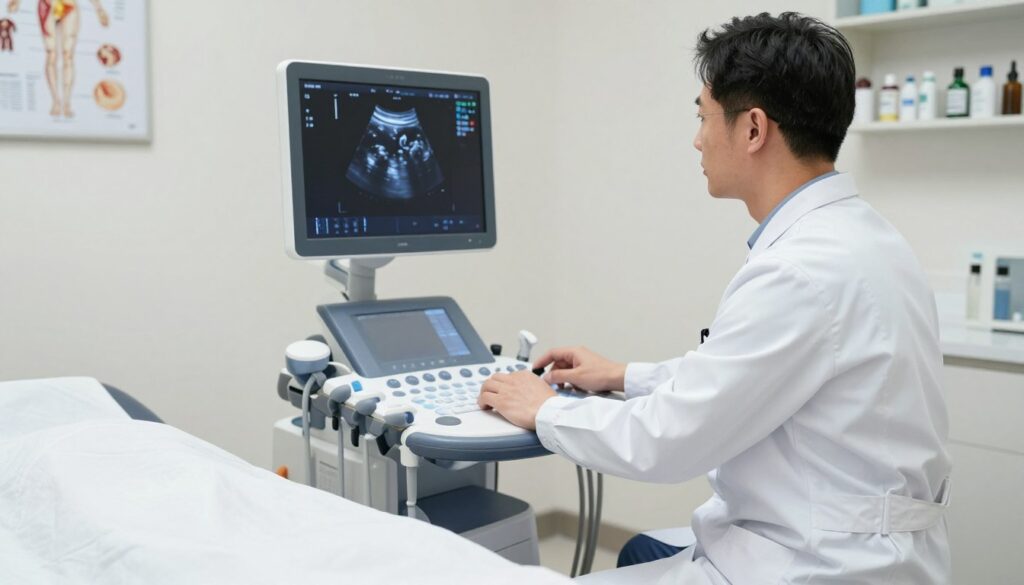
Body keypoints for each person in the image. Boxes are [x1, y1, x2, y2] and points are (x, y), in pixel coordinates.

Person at [478, 12, 952, 584]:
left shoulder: (799, 272)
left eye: (703, 116)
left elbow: (670, 441)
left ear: (753, 129)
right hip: (858, 545)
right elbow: (746, 375)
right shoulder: (865, 238)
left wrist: (545, 409)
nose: (697, 138)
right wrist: (624, 375)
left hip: (814, 563)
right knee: (642, 552)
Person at [7, 0, 109, 117]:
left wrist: (99, 9)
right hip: (48, 6)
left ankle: (66, 102)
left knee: (68, 55)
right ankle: (56, 100)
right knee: (51, 54)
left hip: (69, 5)